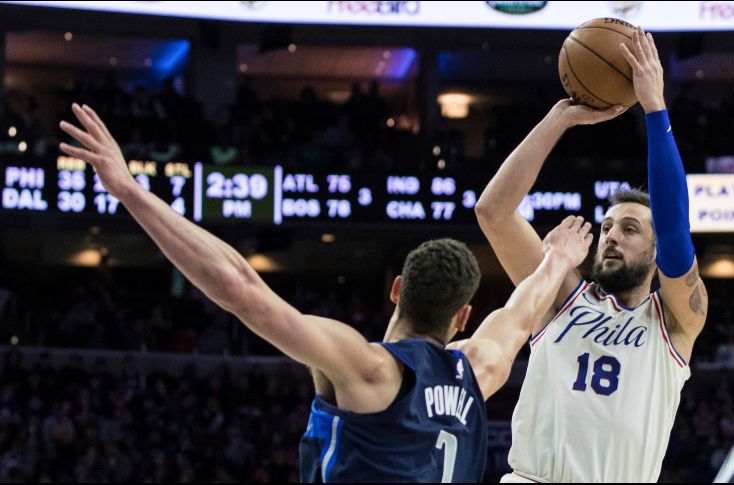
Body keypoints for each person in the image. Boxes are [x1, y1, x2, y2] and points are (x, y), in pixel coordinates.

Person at [59, 105, 593, 482]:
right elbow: (524, 309)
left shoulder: (368, 369)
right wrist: (558, 259)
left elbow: (239, 287)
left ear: (397, 290)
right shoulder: (480, 368)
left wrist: (129, 190)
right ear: (464, 316)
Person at [475, 28, 709, 483]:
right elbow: (493, 212)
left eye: (629, 228)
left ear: (656, 250)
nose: (611, 236)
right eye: (606, 228)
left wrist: (655, 108)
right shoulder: (558, 293)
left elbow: (674, 230)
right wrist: (559, 119)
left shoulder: (676, 321)